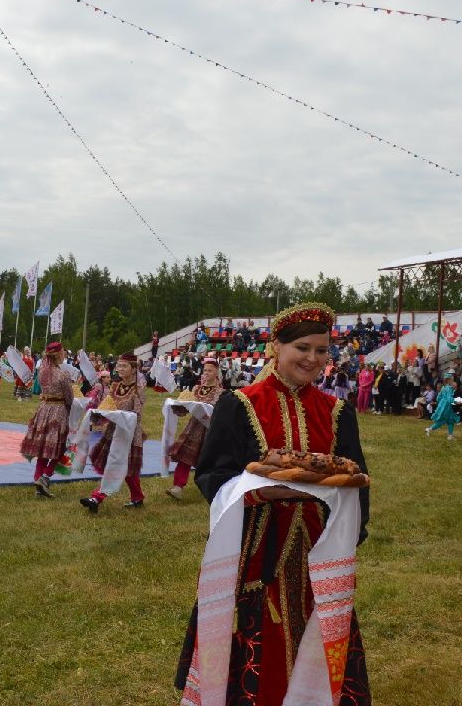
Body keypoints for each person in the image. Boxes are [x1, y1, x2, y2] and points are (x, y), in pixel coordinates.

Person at [175, 302, 371, 705]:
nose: (312, 359)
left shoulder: (337, 412)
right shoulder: (240, 404)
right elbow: (212, 475)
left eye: (321, 351)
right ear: (274, 348)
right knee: (257, 647)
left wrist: (350, 530)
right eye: (302, 348)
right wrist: (262, 491)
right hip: (256, 552)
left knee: (319, 630)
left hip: (319, 550)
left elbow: (357, 481)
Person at [79, 353, 147, 512]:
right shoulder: (115, 386)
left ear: (134, 368)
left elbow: (137, 414)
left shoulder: (139, 388)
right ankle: (137, 497)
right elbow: (107, 405)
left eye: (124, 366)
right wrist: (96, 412)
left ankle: (97, 497)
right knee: (123, 466)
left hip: (129, 432)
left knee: (117, 463)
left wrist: (118, 416)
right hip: (114, 429)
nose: (120, 369)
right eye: (119, 365)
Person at [20, 341, 74, 498]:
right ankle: (45, 477)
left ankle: (38, 481)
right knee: (60, 447)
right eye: (63, 351)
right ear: (59, 354)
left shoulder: (42, 371)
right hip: (58, 410)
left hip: (43, 409)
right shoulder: (63, 374)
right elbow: (69, 397)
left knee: (43, 449)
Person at [166, 357, 223, 500]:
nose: (207, 373)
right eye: (205, 370)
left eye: (210, 370)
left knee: (209, 461)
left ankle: (215, 488)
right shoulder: (197, 388)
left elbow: (219, 412)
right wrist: (179, 405)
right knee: (184, 457)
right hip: (193, 428)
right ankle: (178, 487)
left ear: (217, 373)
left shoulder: (220, 392)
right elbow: (187, 407)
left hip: (210, 430)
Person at [426, 372, 460, 439]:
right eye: (452, 379)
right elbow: (449, 398)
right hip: (446, 406)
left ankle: (450, 435)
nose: (453, 381)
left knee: (450, 420)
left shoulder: (443, 387)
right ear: (449, 380)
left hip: (443, 405)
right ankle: (430, 429)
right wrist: (455, 401)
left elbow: (438, 397)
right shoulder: (449, 388)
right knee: (444, 420)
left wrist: (440, 404)